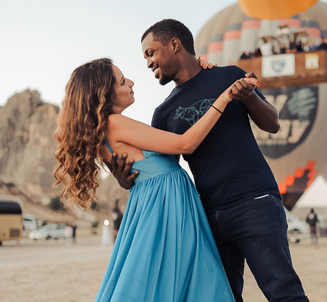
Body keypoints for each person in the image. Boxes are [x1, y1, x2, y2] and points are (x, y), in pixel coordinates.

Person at [112, 19, 308, 302]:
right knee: (220, 297)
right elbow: (165, 169)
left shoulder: (229, 75)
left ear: (175, 44)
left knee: (283, 291)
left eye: (150, 52)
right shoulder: (163, 112)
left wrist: (249, 96)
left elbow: (273, 124)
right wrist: (126, 179)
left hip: (255, 202)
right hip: (207, 216)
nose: (147, 63)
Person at [53, 58, 255, 301]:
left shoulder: (101, 132)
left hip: (153, 204)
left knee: (161, 279)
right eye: (122, 81)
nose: (131, 82)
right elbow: (185, 144)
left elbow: (130, 175)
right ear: (104, 94)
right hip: (166, 206)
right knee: (186, 278)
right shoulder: (114, 123)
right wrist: (224, 98)